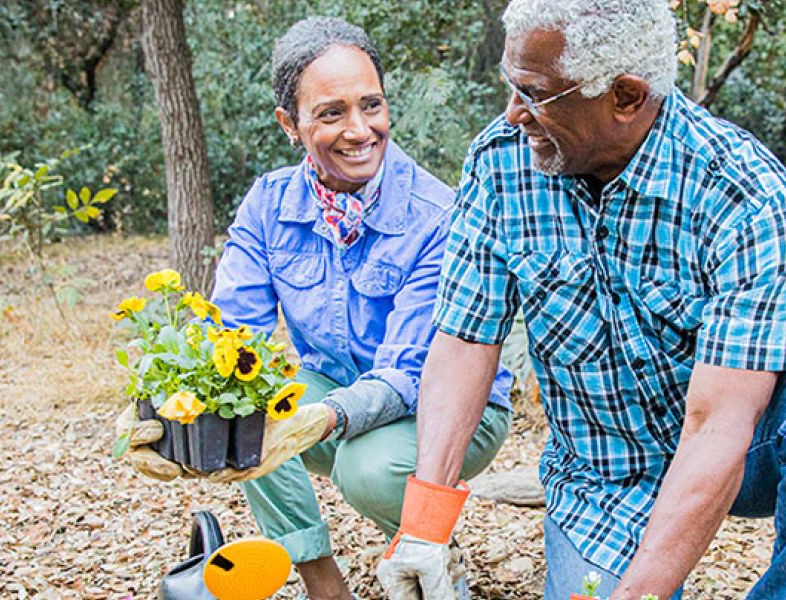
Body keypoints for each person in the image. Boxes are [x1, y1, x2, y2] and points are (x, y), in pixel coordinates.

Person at [374, 1, 786, 599]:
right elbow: (463, 340)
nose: (513, 114)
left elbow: (717, 427)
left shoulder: (744, 193)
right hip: (600, 479)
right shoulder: (501, 163)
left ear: (626, 96)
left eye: (533, 94)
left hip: (738, 448)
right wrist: (424, 527)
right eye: (511, 86)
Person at [119, 16, 512, 600]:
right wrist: (163, 405)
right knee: (246, 414)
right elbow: (230, 338)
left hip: (446, 407)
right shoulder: (270, 204)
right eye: (331, 113)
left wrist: (321, 418)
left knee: (366, 468)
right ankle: (324, 585)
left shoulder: (435, 215)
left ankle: (429, 555)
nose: (360, 130)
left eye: (371, 105)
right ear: (290, 123)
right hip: (335, 388)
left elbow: (412, 373)